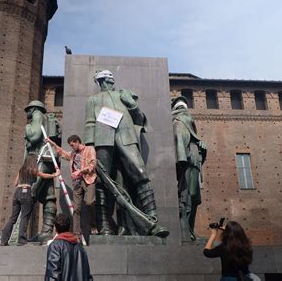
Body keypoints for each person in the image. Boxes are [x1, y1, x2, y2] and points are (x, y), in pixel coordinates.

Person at [84, 69, 168, 237]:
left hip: (127, 137)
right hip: (103, 140)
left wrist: (132, 104)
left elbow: (139, 119)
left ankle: (152, 218)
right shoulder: (93, 100)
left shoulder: (124, 94)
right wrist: (90, 147)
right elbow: (90, 123)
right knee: (103, 183)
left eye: (110, 79)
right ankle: (104, 225)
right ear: (101, 82)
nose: (109, 81)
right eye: (106, 79)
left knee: (141, 174)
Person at [0, 154, 60, 246]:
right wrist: (55, 174)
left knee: (13, 218)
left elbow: (15, 183)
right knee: (24, 217)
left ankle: (3, 240)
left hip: (17, 193)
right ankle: (21, 240)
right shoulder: (32, 170)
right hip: (26, 192)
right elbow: (44, 175)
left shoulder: (21, 170)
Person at [46, 135, 98, 238]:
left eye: (73, 145)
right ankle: (77, 234)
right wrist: (52, 143)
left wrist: (80, 171)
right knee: (76, 209)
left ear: (78, 141)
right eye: (70, 146)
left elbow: (93, 165)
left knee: (89, 202)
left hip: (88, 180)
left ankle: (93, 225)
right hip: (77, 183)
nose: (72, 147)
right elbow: (63, 153)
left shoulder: (89, 149)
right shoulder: (73, 153)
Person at [171, 96, 207, 242]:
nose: (185, 110)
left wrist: (201, 147)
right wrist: (181, 159)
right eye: (181, 107)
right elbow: (178, 137)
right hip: (187, 160)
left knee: (194, 196)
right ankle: (185, 231)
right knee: (187, 196)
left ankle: (189, 230)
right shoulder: (178, 120)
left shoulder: (186, 121)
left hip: (193, 160)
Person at [24, 100, 58, 242]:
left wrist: (27, 128)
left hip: (38, 158)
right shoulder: (47, 118)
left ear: (34, 109)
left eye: (28, 110)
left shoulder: (37, 115)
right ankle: (47, 232)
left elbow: (35, 135)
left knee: (27, 193)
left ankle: (15, 234)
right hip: (47, 158)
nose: (27, 113)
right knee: (48, 196)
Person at [45, 213, 93, 281]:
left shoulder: (55, 246)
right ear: (70, 227)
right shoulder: (80, 248)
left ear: (56, 229)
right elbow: (87, 276)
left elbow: (53, 275)